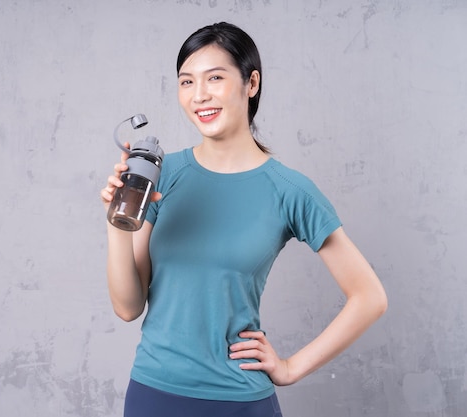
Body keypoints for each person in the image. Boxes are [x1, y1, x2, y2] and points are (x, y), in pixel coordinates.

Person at [100, 22, 387, 417]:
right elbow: (128, 307)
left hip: (239, 401)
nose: (199, 95)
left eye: (214, 78)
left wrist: (290, 367)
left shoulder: (289, 190)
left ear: (251, 83)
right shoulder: (162, 173)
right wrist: (118, 222)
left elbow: (370, 297)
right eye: (186, 82)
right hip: (154, 395)